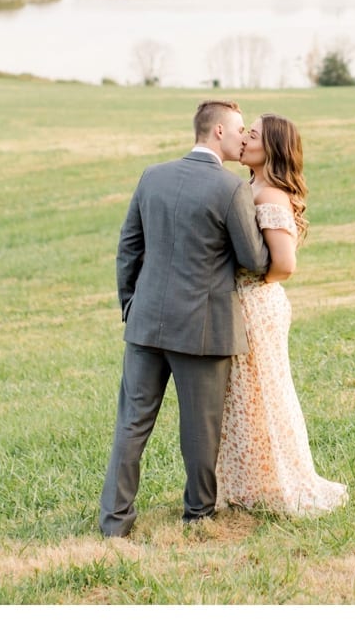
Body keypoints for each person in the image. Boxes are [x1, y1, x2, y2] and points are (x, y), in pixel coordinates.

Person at [98, 99, 270, 537]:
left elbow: (128, 248)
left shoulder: (152, 176)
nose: (242, 137)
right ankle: (198, 515)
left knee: (131, 424)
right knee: (200, 429)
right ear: (217, 133)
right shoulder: (229, 189)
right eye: (238, 130)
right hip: (203, 328)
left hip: (146, 322)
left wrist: (131, 305)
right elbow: (253, 258)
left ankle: (115, 523)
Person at [215, 113, 348, 516]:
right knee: (243, 398)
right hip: (244, 303)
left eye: (251, 135)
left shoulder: (269, 195)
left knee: (265, 395)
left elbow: (285, 265)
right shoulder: (250, 185)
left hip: (258, 304)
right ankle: (250, 483)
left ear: (269, 147)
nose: (244, 140)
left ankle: (285, 483)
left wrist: (250, 284)